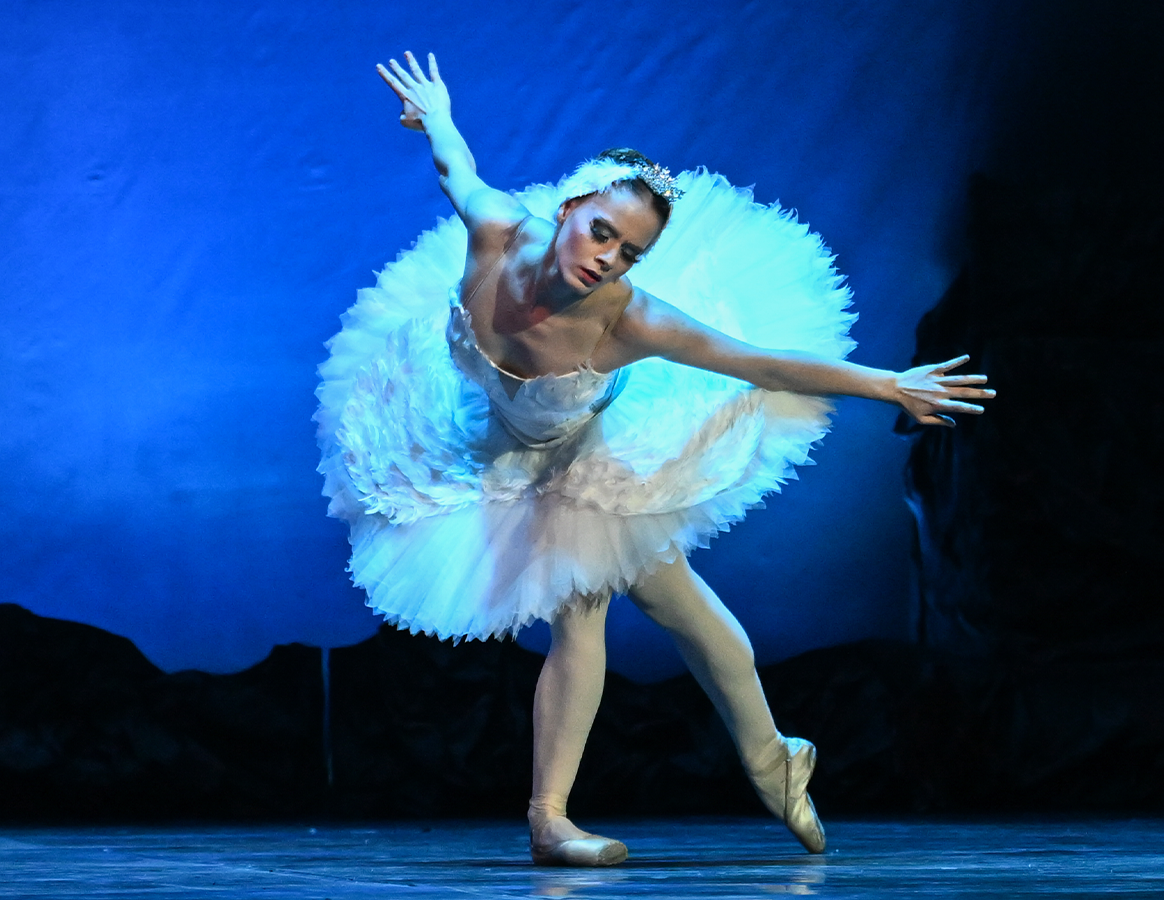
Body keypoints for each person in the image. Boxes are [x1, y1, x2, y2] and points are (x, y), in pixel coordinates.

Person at [315, 52, 993, 867]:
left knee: (583, 606)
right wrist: (439, 117)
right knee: (680, 606)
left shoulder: (628, 319)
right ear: (568, 208)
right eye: (601, 231)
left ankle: (552, 819)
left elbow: (762, 364)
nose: (607, 258)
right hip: (494, 446)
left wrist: (886, 384)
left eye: (629, 252)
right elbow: (456, 168)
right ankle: (774, 758)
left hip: (592, 459)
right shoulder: (495, 228)